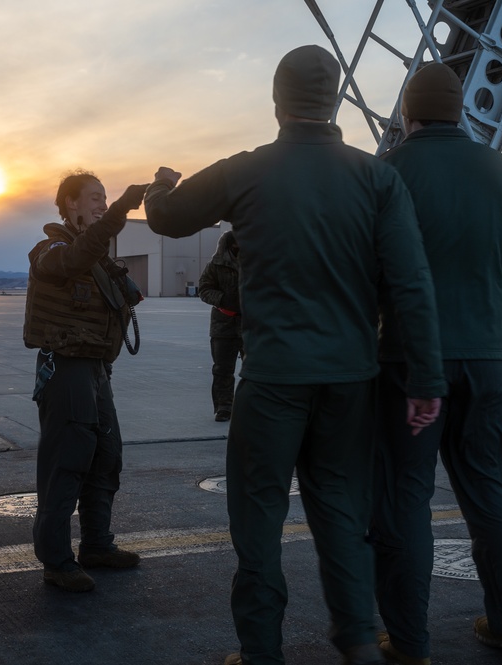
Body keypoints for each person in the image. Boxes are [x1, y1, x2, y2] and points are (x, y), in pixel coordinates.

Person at [144, 45, 447, 665]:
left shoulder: (248, 170)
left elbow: (168, 220)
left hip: (274, 377)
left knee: (257, 519)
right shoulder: (376, 177)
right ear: (333, 100)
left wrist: (160, 186)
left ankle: (261, 651)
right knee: (341, 513)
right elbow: (410, 285)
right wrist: (425, 379)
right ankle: (358, 637)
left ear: (277, 101)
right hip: (350, 380)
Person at [370, 63, 502, 665]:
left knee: (405, 498)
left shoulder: (385, 173)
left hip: (406, 362)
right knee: (490, 490)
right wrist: (483, 300)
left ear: (407, 115)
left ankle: (410, 642)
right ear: (461, 111)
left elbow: (363, 269)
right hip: (484, 359)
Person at [23, 170, 148, 593]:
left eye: (106, 197)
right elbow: (71, 259)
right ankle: (57, 561)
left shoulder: (97, 259)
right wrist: (122, 209)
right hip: (66, 367)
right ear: (70, 203)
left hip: (96, 369)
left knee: (106, 458)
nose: (102, 203)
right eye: (94, 197)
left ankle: (97, 545)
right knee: (67, 463)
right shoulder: (50, 249)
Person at [198, 230, 243, 422]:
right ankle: (224, 407)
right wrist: (223, 299)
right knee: (222, 369)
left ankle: (251, 406)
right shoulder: (215, 266)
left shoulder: (258, 262)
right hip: (223, 326)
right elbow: (204, 289)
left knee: (256, 369)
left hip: (252, 325)